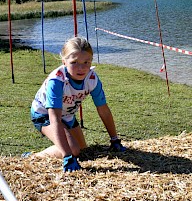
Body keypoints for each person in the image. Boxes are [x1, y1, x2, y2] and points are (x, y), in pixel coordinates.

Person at [29, 37, 126, 172]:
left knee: (82, 149)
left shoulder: (92, 78)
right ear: (64, 61)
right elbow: (54, 119)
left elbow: (103, 110)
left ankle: (61, 150)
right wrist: (67, 156)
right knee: (74, 150)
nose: (81, 68)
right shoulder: (56, 82)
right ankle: (33, 158)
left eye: (86, 62)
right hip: (44, 114)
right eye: (74, 62)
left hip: (67, 115)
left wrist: (114, 139)